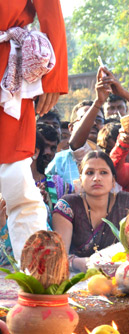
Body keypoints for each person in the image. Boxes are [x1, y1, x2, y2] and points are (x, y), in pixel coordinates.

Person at [0, 1, 68, 262]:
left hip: (8, 70)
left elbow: (50, 11)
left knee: (16, 177)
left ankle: (38, 274)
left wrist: (53, 77)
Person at [52, 151, 129, 272]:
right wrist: (79, 263)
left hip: (122, 274)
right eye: (90, 173)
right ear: (81, 179)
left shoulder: (128, 203)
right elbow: (59, 256)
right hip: (77, 276)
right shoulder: (68, 206)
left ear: (113, 180)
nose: (96, 178)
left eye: (103, 172)